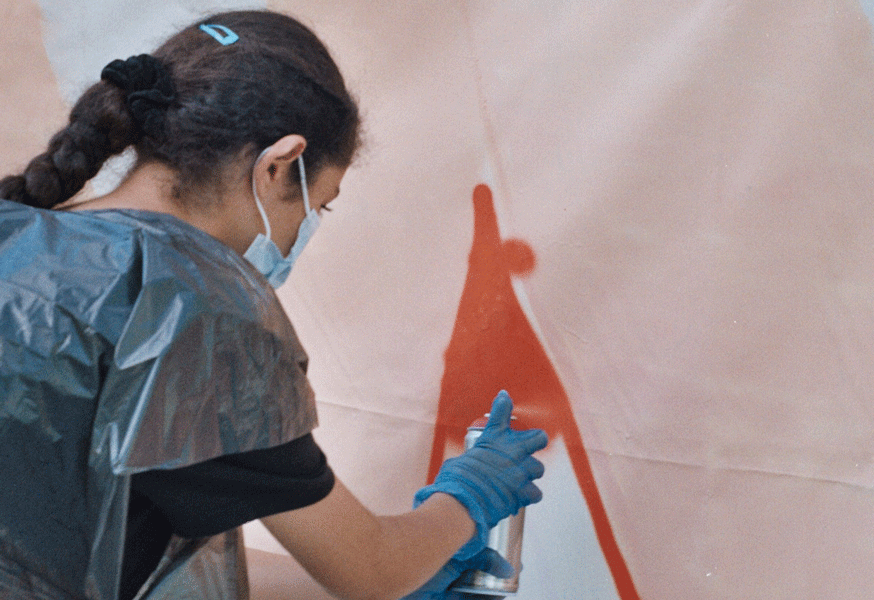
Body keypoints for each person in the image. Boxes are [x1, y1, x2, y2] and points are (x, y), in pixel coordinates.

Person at [0, 9, 547, 600]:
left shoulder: (17, 236)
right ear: (278, 165)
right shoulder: (192, 316)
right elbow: (371, 570)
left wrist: (415, 573)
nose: (303, 232)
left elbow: (113, 556)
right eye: (319, 205)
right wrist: (467, 498)